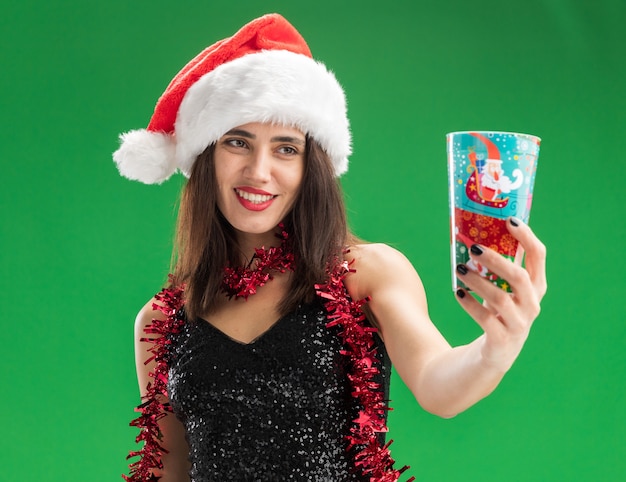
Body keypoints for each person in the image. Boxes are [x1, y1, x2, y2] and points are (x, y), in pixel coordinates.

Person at [114, 13, 547, 482]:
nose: (259, 171)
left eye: (286, 148)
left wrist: (495, 348)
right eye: (238, 142)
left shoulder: (366, 273)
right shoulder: (161, 320)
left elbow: (439, 386)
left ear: (311, 167)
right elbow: (169, 472)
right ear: (205, 157)